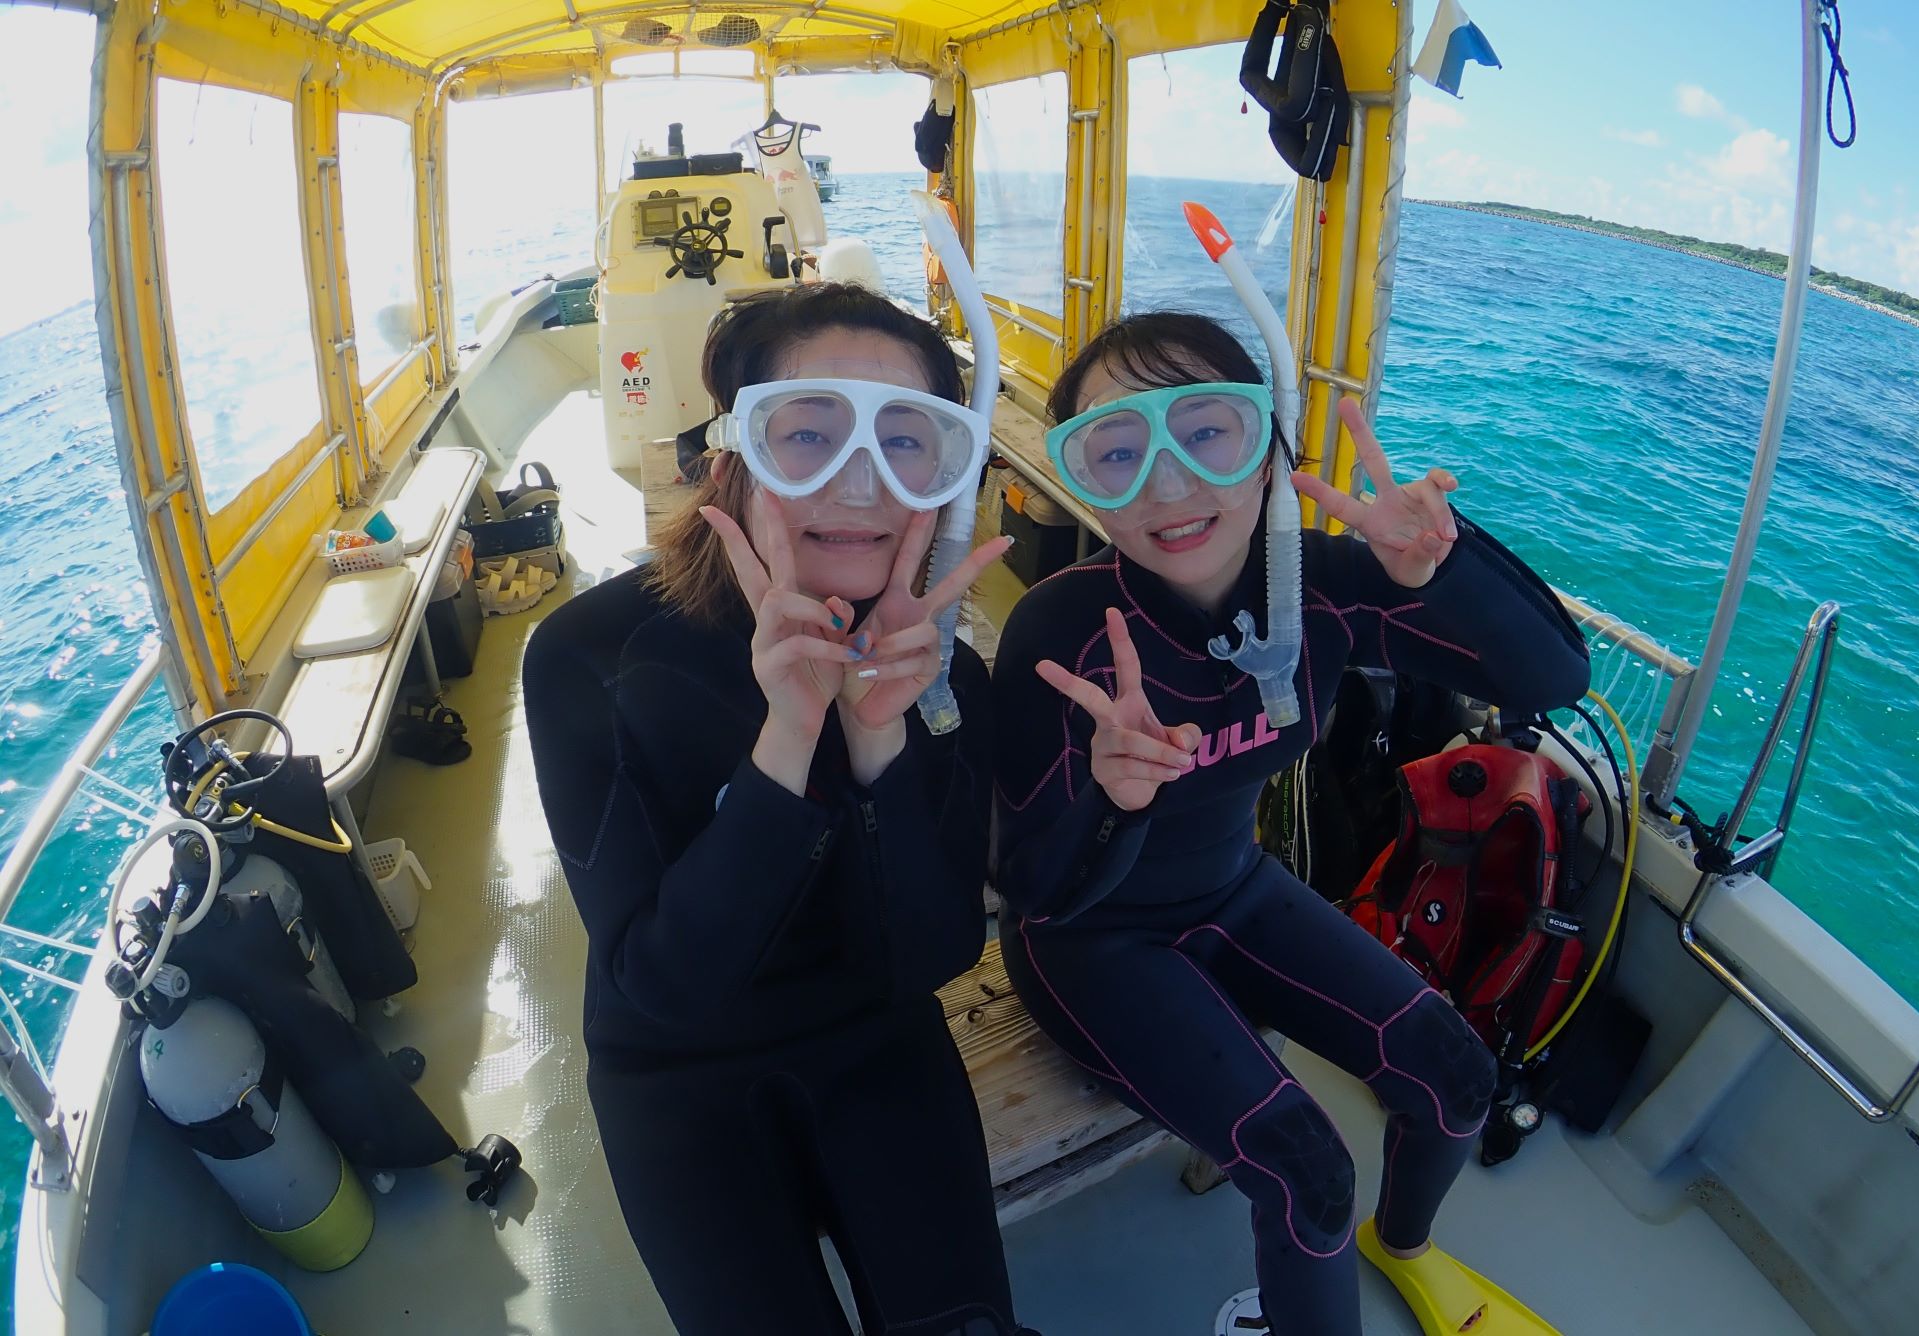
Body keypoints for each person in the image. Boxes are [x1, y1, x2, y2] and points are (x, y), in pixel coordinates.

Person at [991, 311, 1589, 1336]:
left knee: (1459, 1078)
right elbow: (1034, 888)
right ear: (1084, 480)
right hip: (1090, 939)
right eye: (1118, 452)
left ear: (1269, 446)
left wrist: (1445, 569)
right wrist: (1112, 799)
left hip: (1236, 889)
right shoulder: (1065, 630)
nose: (1169, 482)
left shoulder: (1322, 586)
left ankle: (1402, 1247)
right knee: (1310, 1172)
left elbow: (1552, 678)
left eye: (1206, 431)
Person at [524, 283, 1030, 1336]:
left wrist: (878, 738)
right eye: (808, 434)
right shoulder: (594, 658)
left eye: (906, 441)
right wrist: (789, 734)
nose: (860, 481)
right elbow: (665, 987)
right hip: (677, 1073)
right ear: (731, 458)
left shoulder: (944, 676)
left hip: (877, 1038)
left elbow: (929, 955)